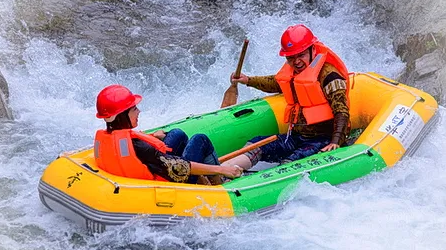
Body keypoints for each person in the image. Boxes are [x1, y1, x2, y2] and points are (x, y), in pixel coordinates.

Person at [222, 24, 350, 170]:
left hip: (322, 139)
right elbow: (275, 83)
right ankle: (222, 172)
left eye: (301, 55)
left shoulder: (330, 76)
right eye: (291, 57)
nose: (296, 62)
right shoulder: (294, 72)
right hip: (296, 137)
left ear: (312, 50)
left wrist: (336, 141)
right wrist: (248, 80)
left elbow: (341, 111)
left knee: (290, 162)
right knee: (255, 145)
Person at [94, 85, 242, 185]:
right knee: (200, 140)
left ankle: (205, 176)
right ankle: (219, 182)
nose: (139, 111)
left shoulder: (109, 137)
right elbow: (180, 167)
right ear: (121, 116)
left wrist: (152, 137)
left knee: (177, 134)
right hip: (171, 182)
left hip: (153, 167)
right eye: (134, 109)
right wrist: (223, 169)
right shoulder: (141, 148)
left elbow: (138, 151)